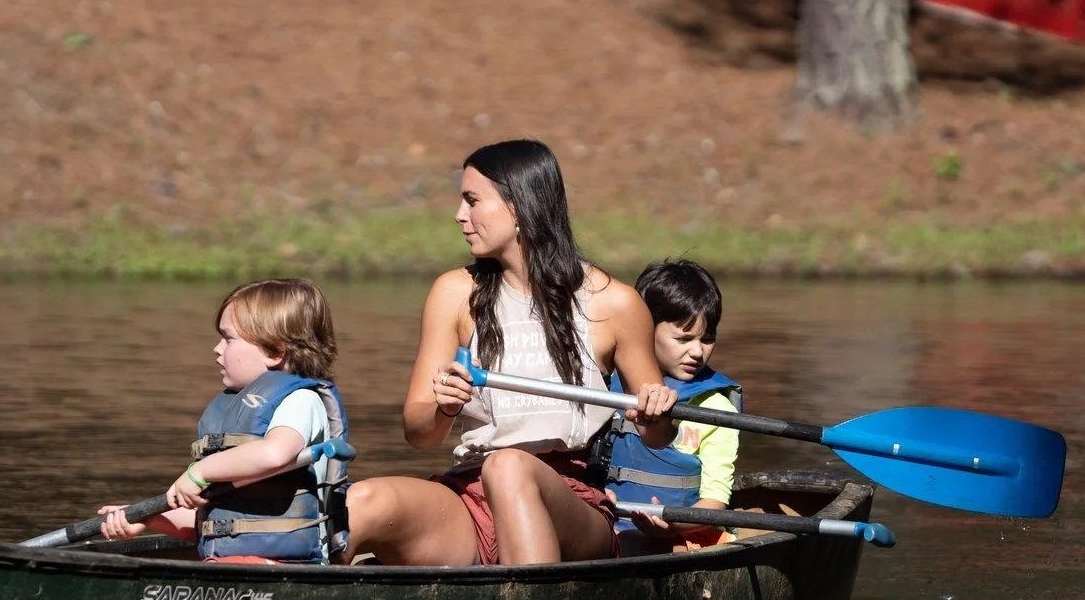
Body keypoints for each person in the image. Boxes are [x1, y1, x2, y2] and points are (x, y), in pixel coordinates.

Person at [343, 140, 677, 566]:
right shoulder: (453, 293)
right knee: (363, 500)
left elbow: (659, 434)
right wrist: (443, 409)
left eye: (472, 201)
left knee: (509, 467)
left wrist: (657, 412)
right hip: (471, 493)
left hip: (571, 504)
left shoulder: (615, 303)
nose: (459, 215)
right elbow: (418, 432)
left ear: (518, 207)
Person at [98, 277, 350, 562]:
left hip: (291, 565)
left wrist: (199, 472)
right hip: (232, 562)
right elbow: (210, 521)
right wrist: (148, 518)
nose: (217, 349)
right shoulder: (233, 412)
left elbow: (276, 452)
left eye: (228, 338)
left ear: (275, 351)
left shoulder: (300, 401)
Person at [599, 258, 743, 554]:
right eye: (683, 338)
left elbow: (715, 503)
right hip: (610, 520)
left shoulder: (716, 408)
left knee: (634, 546)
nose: (697, 352)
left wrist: (672, 526)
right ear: (643, 328)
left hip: (683, 532)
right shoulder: (607, 384)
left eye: (708, 339)